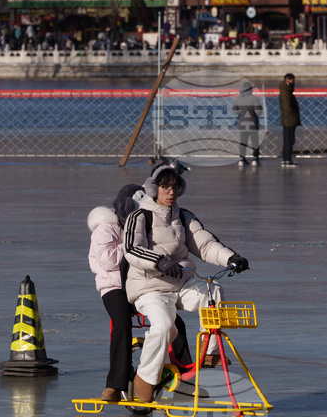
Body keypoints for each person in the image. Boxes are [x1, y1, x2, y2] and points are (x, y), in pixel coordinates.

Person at [123, 165, 249, 403]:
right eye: (165, 187)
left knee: (213, 292)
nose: (171, 192)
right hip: (150, 287)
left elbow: (204, 245)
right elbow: (131, 249)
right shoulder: (139, 216)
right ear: (153, 188)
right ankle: (144, 378)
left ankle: (210, 352)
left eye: (175, 187)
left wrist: (231, 258)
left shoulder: (183, 216)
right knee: (163, 327)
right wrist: (159, 262)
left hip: (181, 283)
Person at [88, 183, 192, 403]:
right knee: (121, 324)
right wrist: (131, 245)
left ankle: (185, 372)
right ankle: (115, 385)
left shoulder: (143, 227)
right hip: (114, 287)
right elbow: (107, 260)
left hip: (139, 286)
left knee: (173, 319)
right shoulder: (105, 228)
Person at [232, 81, 262, 166]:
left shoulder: (238, 98)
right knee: (255, 141)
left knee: (243, 141)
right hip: (253, 123)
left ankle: (242, 159)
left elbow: (235, 111)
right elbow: (258, 112)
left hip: (243, 123)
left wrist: (241, 114)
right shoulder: (254, 99)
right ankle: (255, 159)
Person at [279, 73, 301, 167]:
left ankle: (286, 159)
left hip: (288, 119)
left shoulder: (286, 91)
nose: (293, 83)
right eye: (292, 81)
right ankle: (288, 160)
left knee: (287, 140)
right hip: (289, 120)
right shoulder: (286, 92)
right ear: (287, 81)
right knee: (289, 140)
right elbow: (287, 107)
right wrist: (294, 114)